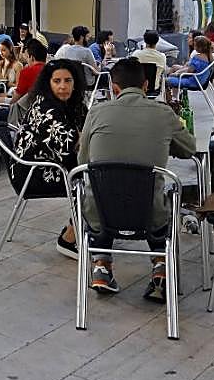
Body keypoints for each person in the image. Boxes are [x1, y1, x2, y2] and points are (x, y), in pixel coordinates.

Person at [78, 59, 196, 297]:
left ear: (114, 88)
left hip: (101, 214)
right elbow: (189, 149)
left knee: (102, 190)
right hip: (150, 214)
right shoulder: (163, 113)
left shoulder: (97, 112)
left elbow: (83, 160)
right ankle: (161, 266)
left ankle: (101, 265)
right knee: (162, 194)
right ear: (145, 85)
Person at [14, 59, 88, 258]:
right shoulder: (45, 108)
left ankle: (83, 227)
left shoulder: (74, 104)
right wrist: (84, 136)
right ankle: (69, 238)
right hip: (34, 172)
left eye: (68, 81)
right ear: (48, 83)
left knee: (98, 177)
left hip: (56, 165)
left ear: (75, 83)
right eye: (57, 81)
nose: (62, 86)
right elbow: (70, 145)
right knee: (95, 183)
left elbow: (88, 132)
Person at [165, 36, 214, 103]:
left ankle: (172, 101)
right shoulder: (209, 57)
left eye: (195, 45)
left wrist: (176, 74)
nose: (194, 46)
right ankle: (175, 98)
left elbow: (189, 71)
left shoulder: (197, 57)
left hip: (193, 82)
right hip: (201, 81)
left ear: (199, 47)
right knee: (173, 75)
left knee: (166, 81)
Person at [11, 38, 50, 104]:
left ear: (32, 57)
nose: (27, 61)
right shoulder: (52, 70)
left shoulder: (27, 72)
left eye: (27, 58)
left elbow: (16, 98)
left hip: (29, 107)